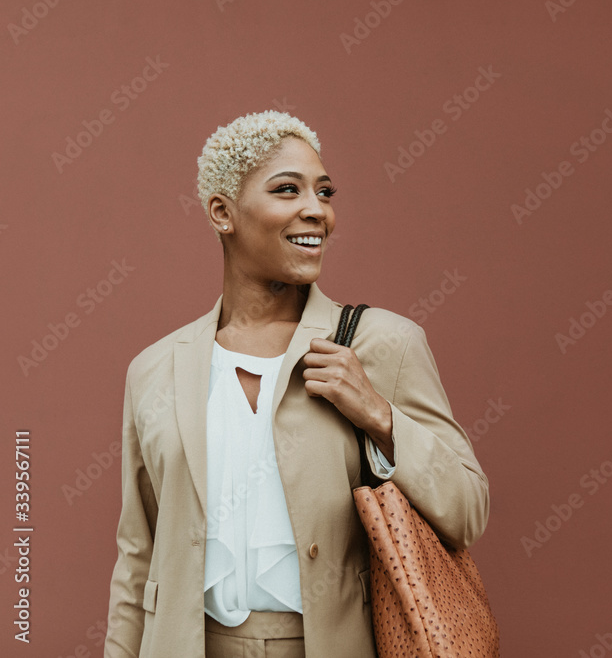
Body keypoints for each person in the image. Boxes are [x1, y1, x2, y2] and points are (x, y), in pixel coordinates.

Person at [103, 110, 490, 657]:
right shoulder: (155, 369)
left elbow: (467, 510)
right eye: (288, 190)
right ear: (223, 213)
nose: (317, 210)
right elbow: (137, 555)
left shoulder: (381, 343)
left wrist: (379, 415)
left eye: (325, 192)